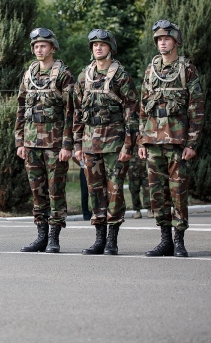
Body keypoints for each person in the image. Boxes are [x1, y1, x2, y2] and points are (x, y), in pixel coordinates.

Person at [138, 20, 204, 257]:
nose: (162, 42)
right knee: (157, 193)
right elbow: (143, 107)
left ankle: (179, 241)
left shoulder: (187, 69)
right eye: (158, 39)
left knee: (178, 192)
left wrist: (192, 143)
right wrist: (141, 141)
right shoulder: (151, 69)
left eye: (166, 38)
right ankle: (165, 240)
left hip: (177, 142)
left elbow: (197, 109)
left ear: (176, 40)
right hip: (153, 143)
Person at [73, 29, 139, 255]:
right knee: (95, 191)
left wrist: (128, 145)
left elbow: (132, 111)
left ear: (111, 47)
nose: (98, 48)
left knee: (114, 191)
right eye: (94, 45)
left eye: (102, 44)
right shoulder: (84, 76)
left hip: (115, 145)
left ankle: (112, 240)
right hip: (90, 144)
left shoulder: (121, 75)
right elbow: (77, 112)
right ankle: (99, 239)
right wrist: (77, 144)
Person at [15, 28, 75, 253]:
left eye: (43, 46)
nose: (39, 49)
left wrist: (67, 145)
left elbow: (71, 112)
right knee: (37, 191)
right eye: (36, 46)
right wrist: (19, 141)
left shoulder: (63, 75)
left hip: (54, 144)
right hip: (31, 144)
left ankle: (54, 238)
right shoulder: (29, 74)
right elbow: (21, 108)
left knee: (55, 190)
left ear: (52, 48)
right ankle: (40, 236)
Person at [128, 153, 152, 218]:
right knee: (134, 191)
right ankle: (137, 211)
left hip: (145, 172)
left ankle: (149, 210)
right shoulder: (130, 144)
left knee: (147, 191)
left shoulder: (144, 144)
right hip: (133, 172)